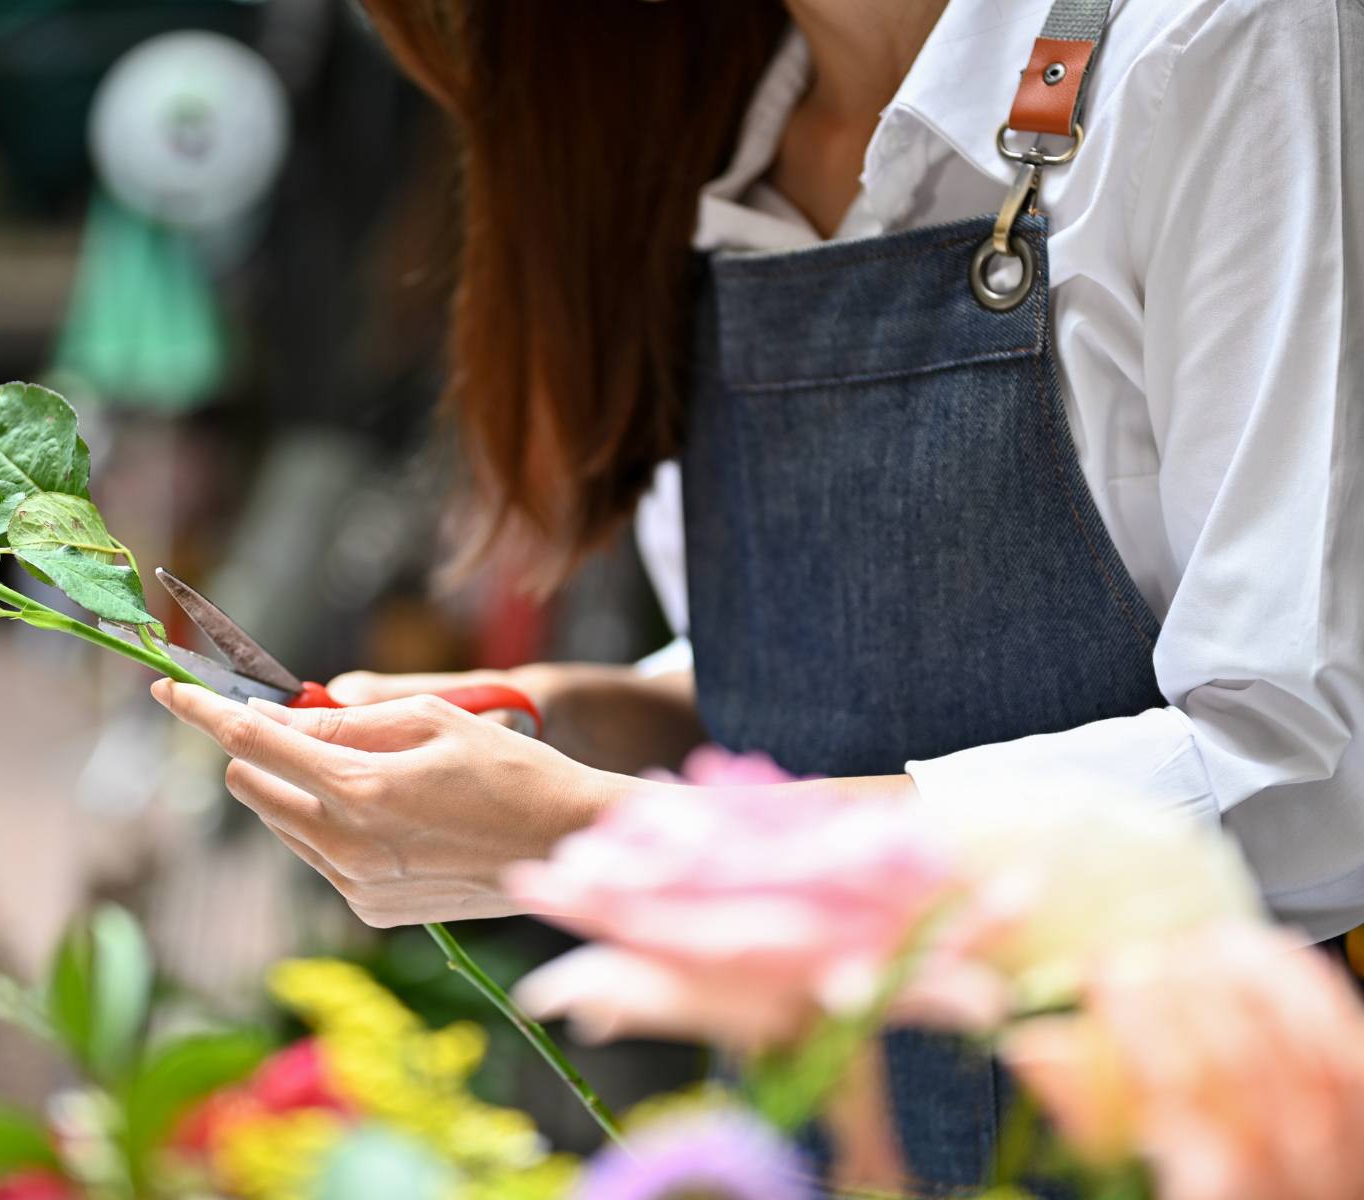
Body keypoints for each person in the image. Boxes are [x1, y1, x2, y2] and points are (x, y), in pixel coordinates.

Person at [152, 0, 1364, 1187]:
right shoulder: (689, 130)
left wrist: (616, 835)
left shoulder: (1224, 40)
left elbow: (1310, 779)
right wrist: (566, 717)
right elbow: (816, 673)